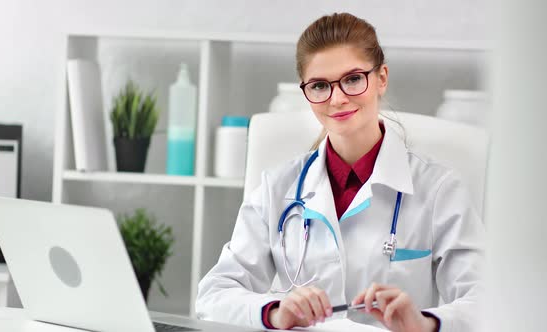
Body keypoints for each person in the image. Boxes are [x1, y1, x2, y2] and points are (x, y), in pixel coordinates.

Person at [196, 12, 484, 332]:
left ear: (381, 78)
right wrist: (275, 312)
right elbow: (213, 296)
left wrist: (425, 322)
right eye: (320, 85)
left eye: (352, 79)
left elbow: (486, 303)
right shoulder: (277, 188)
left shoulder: (439, 189)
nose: (337, 99)